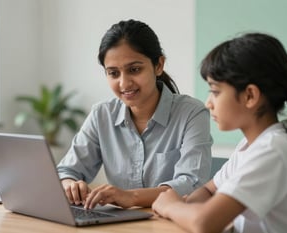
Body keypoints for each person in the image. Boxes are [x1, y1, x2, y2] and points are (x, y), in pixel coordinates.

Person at [152, 32, 287, 233]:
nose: (208, 103)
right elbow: (208, 190)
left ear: (250, 95)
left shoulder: (273, 151)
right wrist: (189, 210)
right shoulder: (250, 145)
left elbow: (204, 224)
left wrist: (171, 206)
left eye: (215, 91)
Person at [57, 19, 212, 210]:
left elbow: (192, 183)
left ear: (158, 65)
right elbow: (66, 171)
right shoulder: (102, 114)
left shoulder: (192, 113)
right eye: (113, 73)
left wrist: (131, 197)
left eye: (134, 70)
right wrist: (71, 185)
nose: (124, 83)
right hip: (120, 225)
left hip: (170, 224)